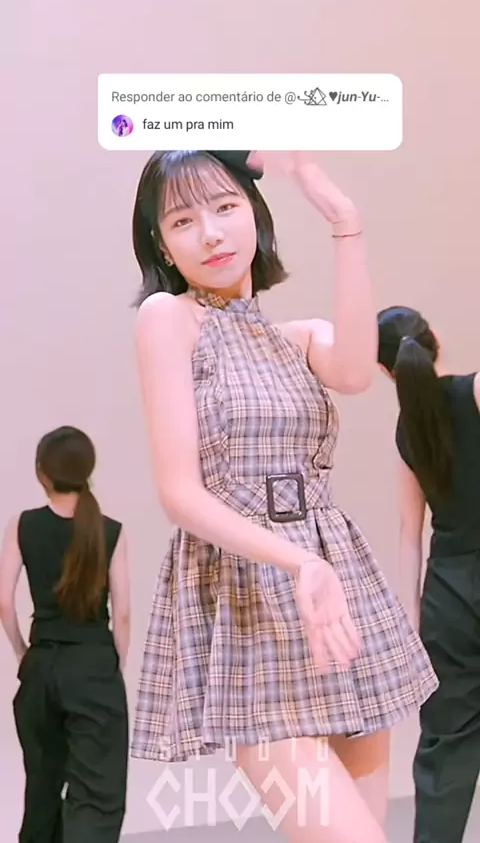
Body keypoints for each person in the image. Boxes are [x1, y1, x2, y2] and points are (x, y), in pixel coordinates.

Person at [129, 149, 438, 843]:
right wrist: (299, 563)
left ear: (255, 216)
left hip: (337, 597)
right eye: (183, 220)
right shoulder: (167, 318)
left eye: (225, 207)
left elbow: (356, 371)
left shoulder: (295, 338)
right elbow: (179, 495)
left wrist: (344, 220)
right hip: (252, 598)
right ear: (162, 244)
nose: (210, 232)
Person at [377, 305, 480, 843]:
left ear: (384, 371)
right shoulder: (473, 392)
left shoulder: (407, 431)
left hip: (447, 596)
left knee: (446, 751)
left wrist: (412, 623)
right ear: (434, 338)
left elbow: (409, 534)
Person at [0, 426, 130, 843]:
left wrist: (23, 652)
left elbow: (3, 602)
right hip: (93, 666)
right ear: (88, 469)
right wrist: (112, 666)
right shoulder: (111, 531)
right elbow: (123, 615)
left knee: (41, 789)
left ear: (42, 472)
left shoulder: (21, 524)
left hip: (41, 665)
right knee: (96, 794)